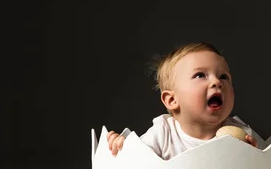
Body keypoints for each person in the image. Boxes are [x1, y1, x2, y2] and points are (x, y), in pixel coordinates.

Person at [106, 42, 260, 160]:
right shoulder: (163, 133)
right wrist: (125, 147)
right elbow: (140, 162)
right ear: (172, 100)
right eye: (200, 75)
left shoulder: (240, 133)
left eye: (224, 77)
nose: (217, 82)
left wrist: (251, 155)